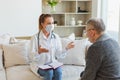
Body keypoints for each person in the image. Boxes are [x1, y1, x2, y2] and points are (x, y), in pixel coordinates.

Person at [29, 14, 74, 80]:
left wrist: (66, 48)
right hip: (40, 65)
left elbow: (58, 55)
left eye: (52, 23)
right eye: (49, 23)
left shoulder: (56, 37)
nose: (52, 25)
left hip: (53, 64)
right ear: (42, 24)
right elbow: (31, 57)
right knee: (49, 73)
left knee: (58, 72)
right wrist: (38, 52)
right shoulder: (35, 38)